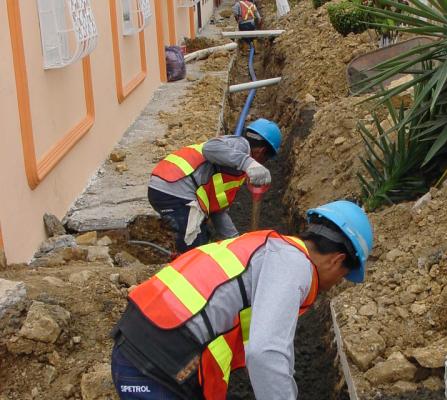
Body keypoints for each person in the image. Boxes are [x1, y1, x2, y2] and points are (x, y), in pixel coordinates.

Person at [110, 200, 374, 400]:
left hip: (138, 346)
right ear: (337, 260)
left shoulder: (265, 246)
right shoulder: (294, 265)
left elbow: (261, 347)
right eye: (342, 276)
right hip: (158, 367)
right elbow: (265, 353)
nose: (336, 283)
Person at [148, 118, 281, 253]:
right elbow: (210, 147)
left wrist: (233, 239)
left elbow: (217, 210)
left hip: (168, 188)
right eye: (266, 159)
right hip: (174, 189)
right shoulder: (240, 146)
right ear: (261, 151)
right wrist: (248, 163)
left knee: (205, 240)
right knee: (194, 250)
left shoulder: (235, 165)